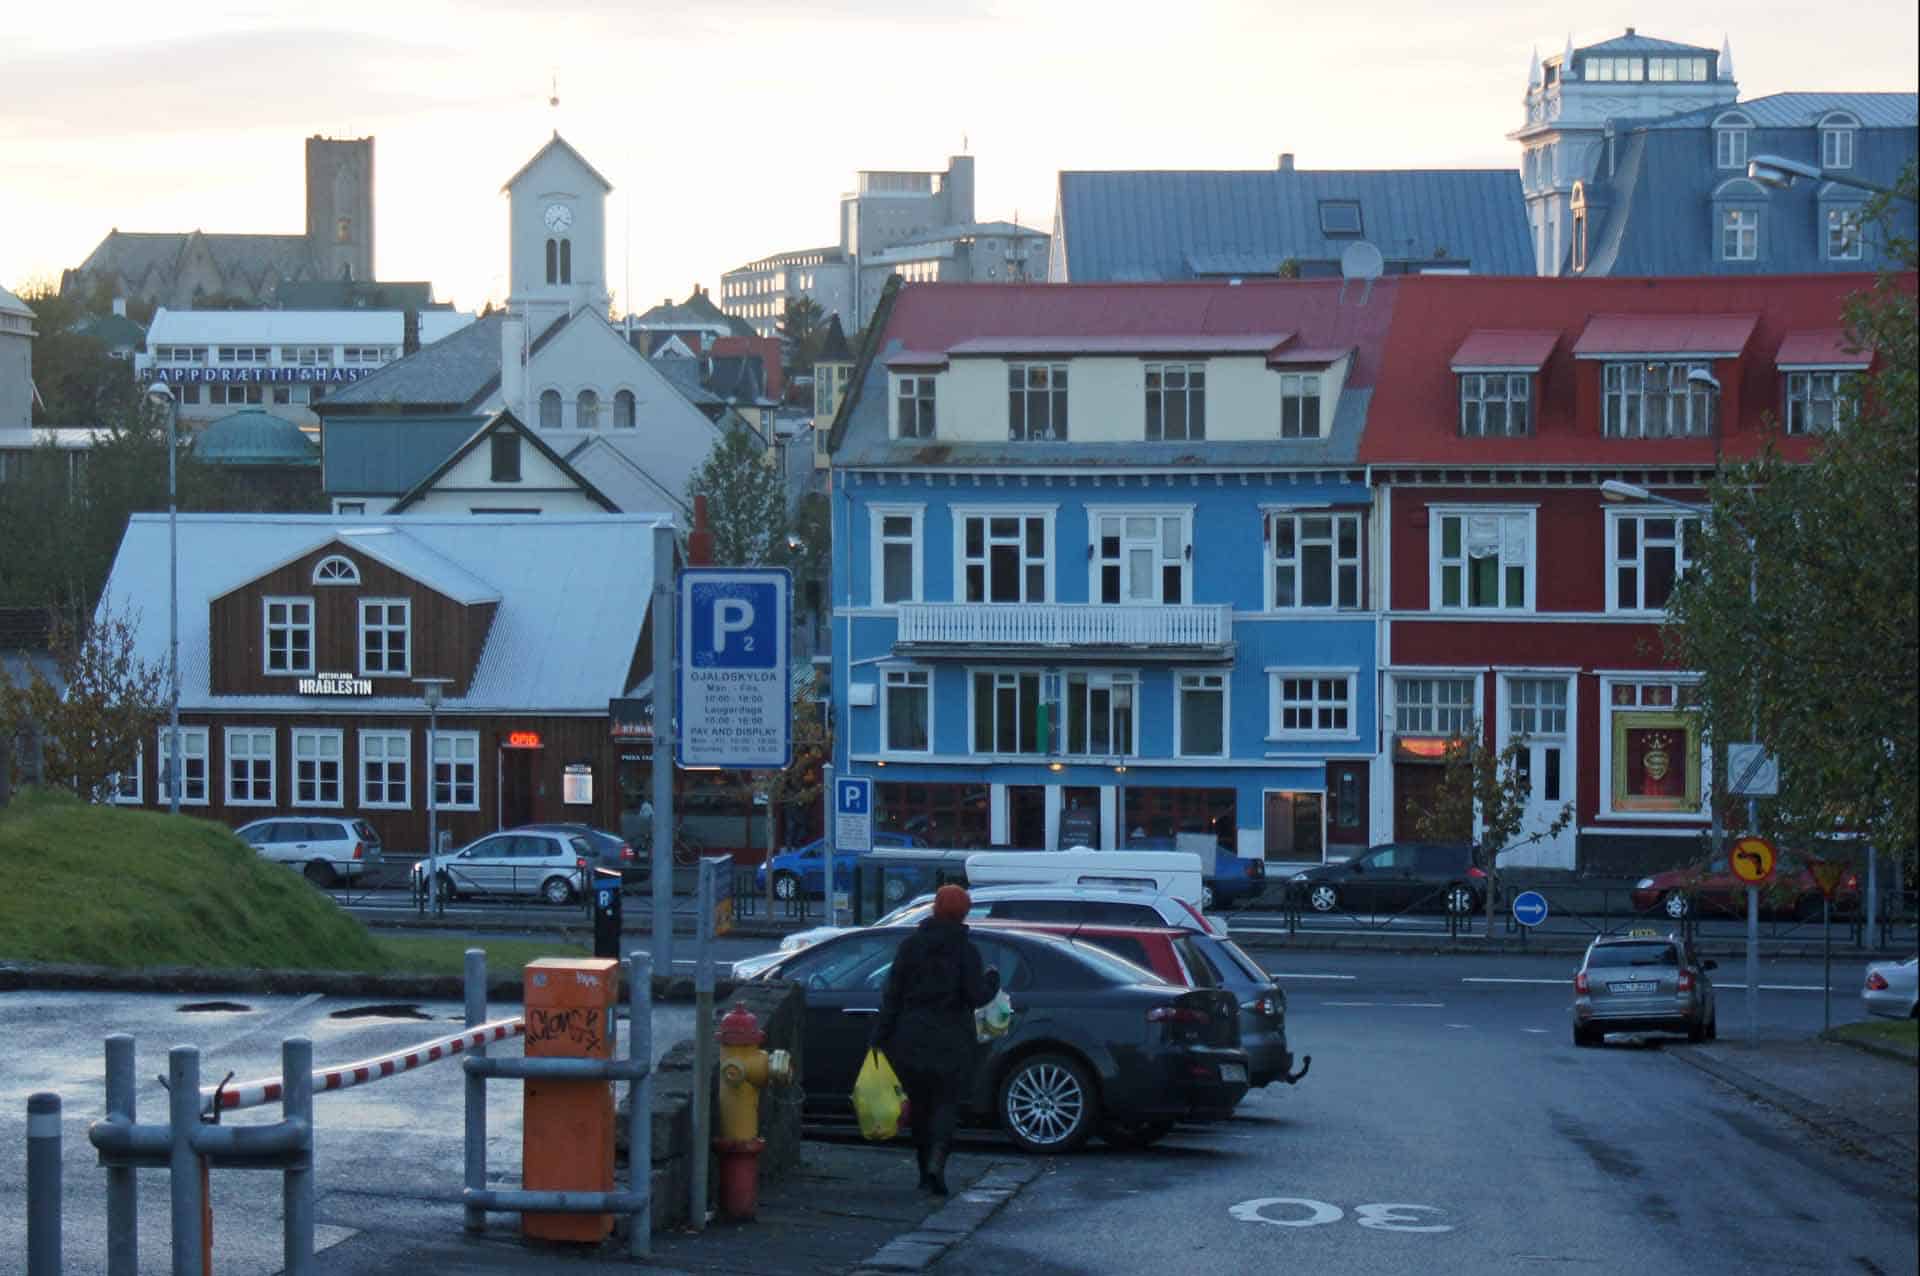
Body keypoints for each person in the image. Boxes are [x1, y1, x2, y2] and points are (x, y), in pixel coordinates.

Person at [870, 884, 1000, 1195]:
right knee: (946, 1104)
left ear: (935, 908)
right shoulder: (966, 951)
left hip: (910, 1036)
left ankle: (921, 1169)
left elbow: (893, 995)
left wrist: (880, 1037)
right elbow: (976, 995)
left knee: (920, 1106)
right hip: (952, 1038)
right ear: (964, 912)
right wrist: (992, 980)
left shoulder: (910, 946)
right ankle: (937, 1165)